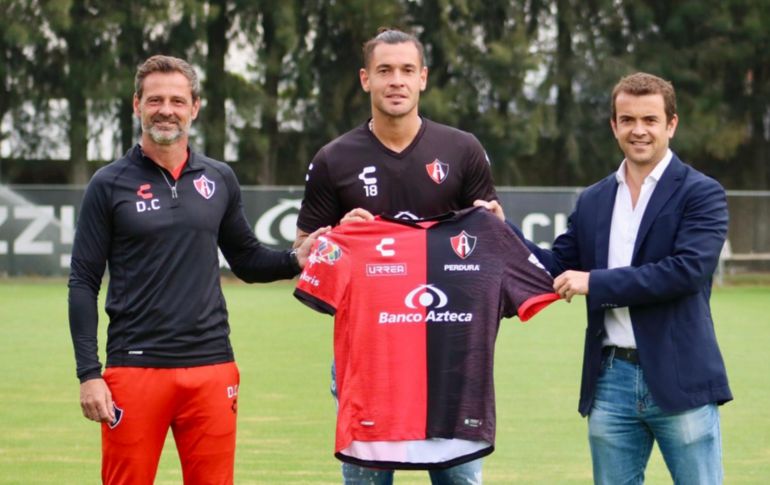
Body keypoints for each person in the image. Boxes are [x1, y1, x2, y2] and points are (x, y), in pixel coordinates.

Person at [68, 54, 325, 485]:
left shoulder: (219, 178)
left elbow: (245, 259)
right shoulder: (108, 183)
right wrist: (89, 374)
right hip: (133, 370)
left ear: (195, 106)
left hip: (212, 368)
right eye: (154, 100)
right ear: (137, 106)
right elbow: (83, 282)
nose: (165, 109)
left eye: (176, 100)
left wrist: (295, 259)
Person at [479, 72, 732, 484]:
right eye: (628, 120)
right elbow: (555, 266)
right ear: (614, 126)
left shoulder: (701, 193)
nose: (639, 130)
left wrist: (594, 282)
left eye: (650, 120)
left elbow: (685, 272)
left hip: (681, 376)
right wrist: (505, 231)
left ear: (671, 124)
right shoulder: (595, 199)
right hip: (610, 378)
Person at [294, 28, 497, 484]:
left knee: (459, 479)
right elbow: (305, 250)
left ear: (423, 78)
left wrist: (493, 222)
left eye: (407, 70)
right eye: (384, 71)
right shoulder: (334, 159)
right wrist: (337, 239)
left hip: (449, 345)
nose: (396, 81)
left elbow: (487, 235)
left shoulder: (462, 149)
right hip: (368, 355)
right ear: (366, 79)